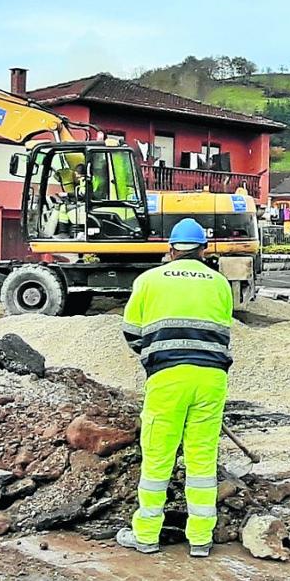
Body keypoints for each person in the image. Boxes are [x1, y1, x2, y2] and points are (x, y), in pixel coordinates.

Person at [116, 218, 233, 558]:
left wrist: (154, 356)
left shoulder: (149, 280)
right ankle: (200, 539)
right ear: (203, 250)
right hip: (211, 379)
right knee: (202, 459)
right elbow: (223, 332)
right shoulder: (220, 283)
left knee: (157, 458)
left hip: (167, 378)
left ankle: (147, 535)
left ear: (170, 249)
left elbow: (131, 332)